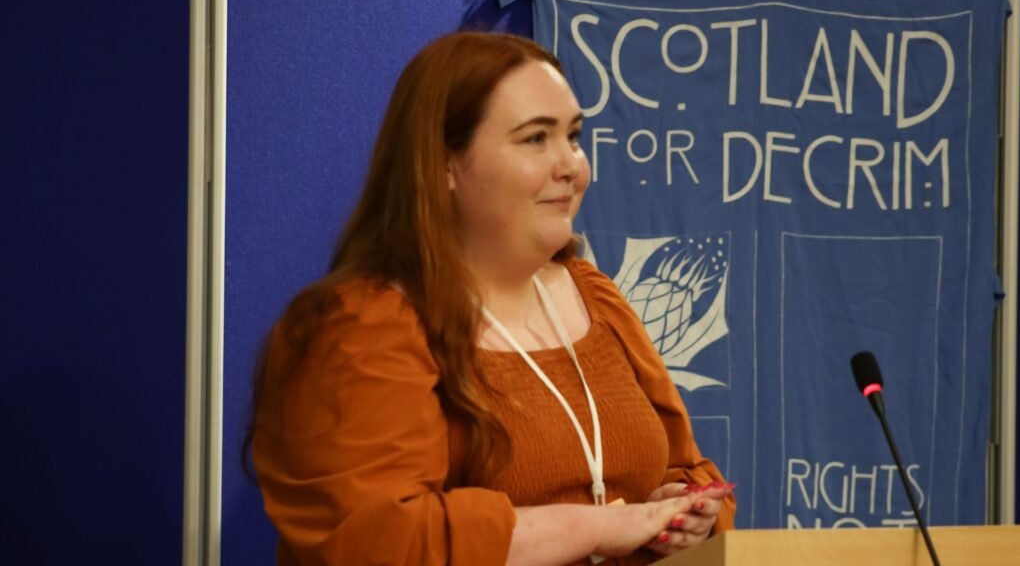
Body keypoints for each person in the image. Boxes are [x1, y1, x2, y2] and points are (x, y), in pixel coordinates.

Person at [246, 31, 736, 566]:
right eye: (534, 139)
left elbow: (684, 470)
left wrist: (685, 514)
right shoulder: (362, 328)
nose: (570, 165)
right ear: (443, 166)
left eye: (572, 136)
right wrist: (592, 527)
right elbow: (377, 541)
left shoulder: (597, 297)